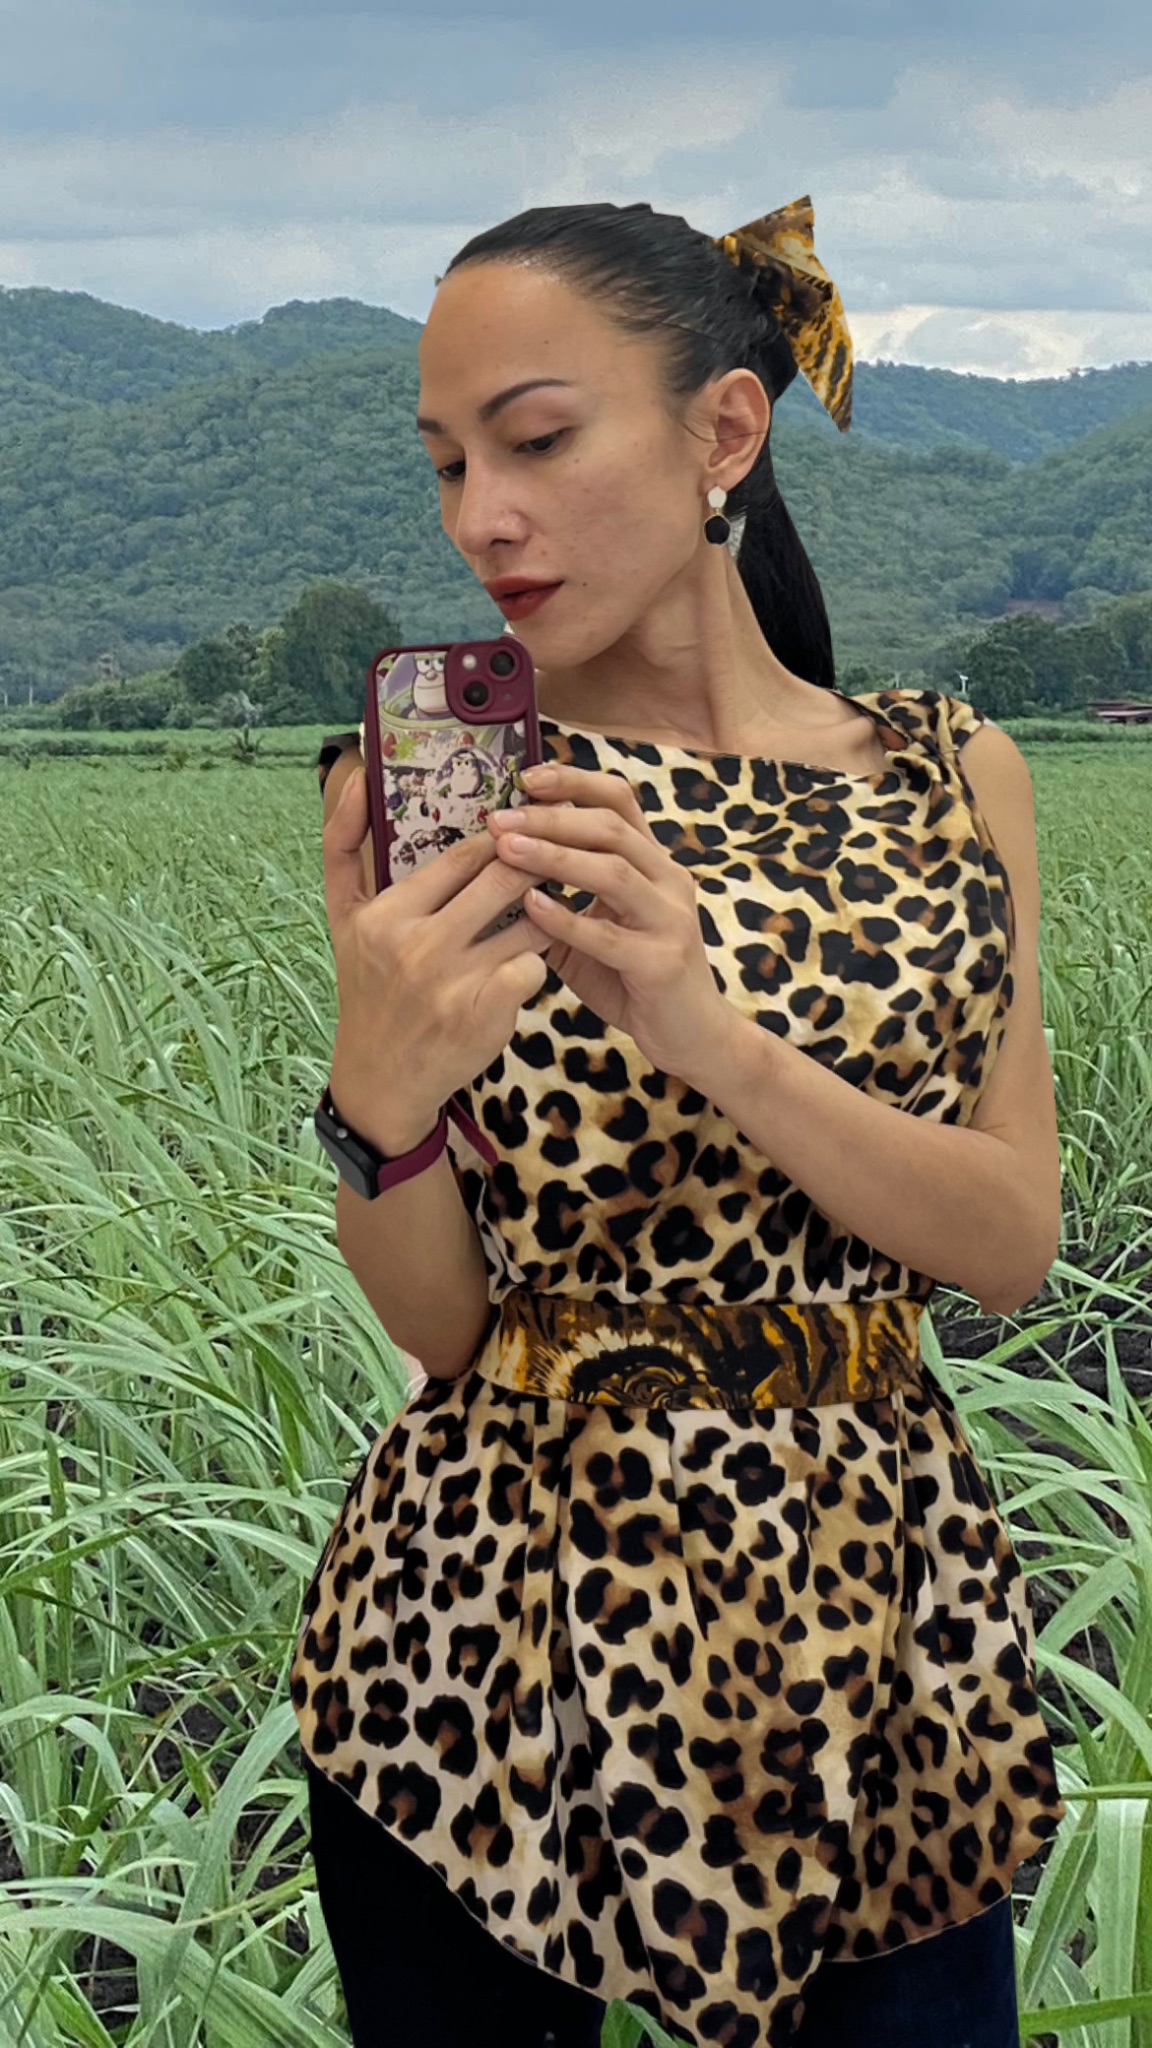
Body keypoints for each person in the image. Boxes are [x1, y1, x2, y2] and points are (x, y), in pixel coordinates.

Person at [291, 194, 1066, 2048]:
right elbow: (446, 1330)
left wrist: (707, 1034)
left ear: (724, 429)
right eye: (449, 462)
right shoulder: (451, 795)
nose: (481, 517)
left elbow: (1011, 1245)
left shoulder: (954, 774)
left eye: (537, 441)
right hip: (483, 1661)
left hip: (876, 1639)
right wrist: (380, 1095)